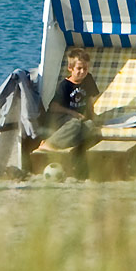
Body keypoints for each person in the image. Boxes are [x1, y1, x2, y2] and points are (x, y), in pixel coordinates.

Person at [38, 47, 102, 177]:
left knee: (90, 126)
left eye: (85, 68)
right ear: (70, 68)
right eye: (79, 69)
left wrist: (92, 116)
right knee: (75, 125)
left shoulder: (88, 79)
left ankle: (70, 146)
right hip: (61, 118)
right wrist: (72, 113)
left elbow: (90, 101)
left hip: (78, 118)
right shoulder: (65, 86)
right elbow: (54, 107)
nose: (82, 72)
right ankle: (48, 143)